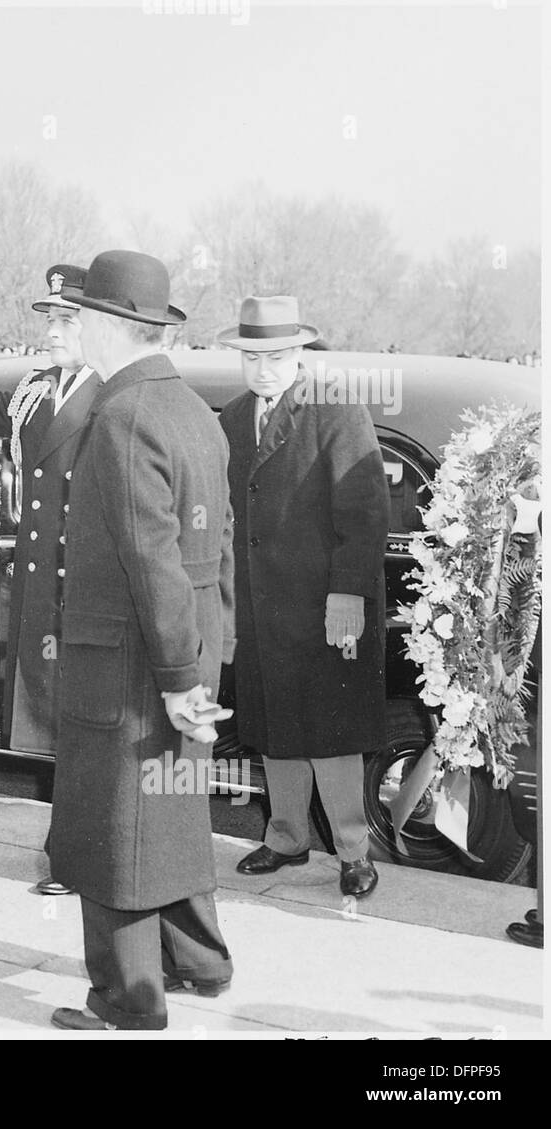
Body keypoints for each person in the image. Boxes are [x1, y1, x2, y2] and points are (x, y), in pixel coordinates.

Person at [47, 250, 235, 1031]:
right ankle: (199, 961)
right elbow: (214, 546)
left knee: (113, 823)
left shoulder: (123, 414)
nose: (74, 329)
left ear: (110, 326)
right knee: (173, 809)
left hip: (134, 664)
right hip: (187, 648)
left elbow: (149, 558)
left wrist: (174, 675)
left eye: (79, 316)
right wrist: (203, 664)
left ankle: (130, 997)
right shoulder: (192, 408)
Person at [218, 296, 390, 900]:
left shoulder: (337, 410)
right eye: (253, 357)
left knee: (329, 731)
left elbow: (365, 515)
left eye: (279, 356)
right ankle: (286, 838)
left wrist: (347, 597)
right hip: (260, 605)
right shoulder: (233, 418)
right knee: (272, 724)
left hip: (323, 607)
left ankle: (352, 852)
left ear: (300, 355)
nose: (265, 369)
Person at [0, 264, 98, 896]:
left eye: (67, 320)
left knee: (84, 728)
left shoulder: (113, 394)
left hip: (84, 588)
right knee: (57, 723)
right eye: (50, 319)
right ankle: (71, 850)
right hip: (40, 589)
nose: (53, 332)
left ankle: (80, 855)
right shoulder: (38, 390)